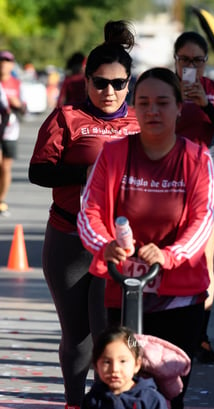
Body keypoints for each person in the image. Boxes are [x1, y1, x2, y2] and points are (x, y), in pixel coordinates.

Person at [77, 67, 214, 409]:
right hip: (121, 286)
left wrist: (170, 255)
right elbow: (89, 211)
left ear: (179, 107)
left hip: (178, 293)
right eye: (144, 103)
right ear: (134, 108)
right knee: (119, 386)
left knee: (170, 390)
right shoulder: (113, 154)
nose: (153, 111)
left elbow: (204, 218)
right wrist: (105, 245)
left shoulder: (197, 158)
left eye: (162, 103)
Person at [28, 20, 140, 409]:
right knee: (77, 335)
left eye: (119, 83)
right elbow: (38, 171)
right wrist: (85, 173)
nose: (109, 92)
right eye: (100, 82)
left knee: (109, 333)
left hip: (118, 245)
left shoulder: (140, 123)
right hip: (69, 240)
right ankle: (75, 403)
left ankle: (111, 402)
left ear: (130, 82)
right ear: (87, 80)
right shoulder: (66, 118)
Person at [173, 31, 214, 364]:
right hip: (165, 182)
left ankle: (201, 336)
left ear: (206, 62)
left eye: (197, 60)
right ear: (175, 60)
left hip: (205, 184)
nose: (191, 67)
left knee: (203, 262)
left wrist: (205, 106)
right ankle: (163, 330)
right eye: (185, 59)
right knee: (167, 256)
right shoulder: (164, 88)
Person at [81, 326, 168, 409]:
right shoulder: (93, 399)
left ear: (137, 365)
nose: (114, 369)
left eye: (122, 361)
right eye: (107, 362)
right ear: (96, 365)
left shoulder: (151, 400)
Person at [0, 50, 27, 216]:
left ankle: (1, 200)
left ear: (12, 64)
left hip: (10, 131)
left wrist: (18, 105)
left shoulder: (17, 83)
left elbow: (25, 109)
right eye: (1, 60)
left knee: (5, 168)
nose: (4, 63)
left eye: (7, 61)